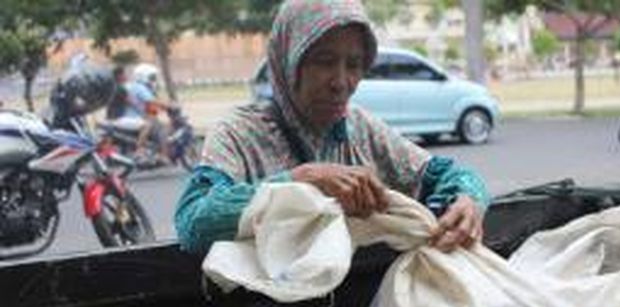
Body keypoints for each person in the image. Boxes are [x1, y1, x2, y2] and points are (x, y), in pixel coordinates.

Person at [174, 0, 489, 255]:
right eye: (324, 62)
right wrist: (301, 181)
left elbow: (445, 175)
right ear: (289, 64)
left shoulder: (361, 128)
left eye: (353, 65)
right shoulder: (240, 134)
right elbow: (193, 224)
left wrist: (469, 199)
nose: (341, 83)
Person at [122, 63, 172, 161]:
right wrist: (168, 106)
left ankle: (155, 151)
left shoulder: (139, 86)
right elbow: (151, 101)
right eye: (152, 77)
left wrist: (163, 106)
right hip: (135, 117)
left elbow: (152, 103)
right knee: (163, 128)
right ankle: (161, 154)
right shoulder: (140, 87)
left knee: (156, 122)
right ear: (143, 76)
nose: (154, 80)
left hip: (139, 115)